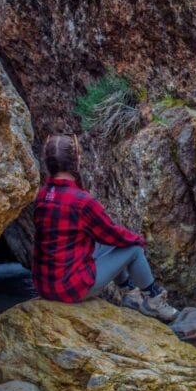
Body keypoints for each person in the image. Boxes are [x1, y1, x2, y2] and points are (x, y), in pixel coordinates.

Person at [31, 134, 179, 322]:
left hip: (44, 284)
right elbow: (112, 234)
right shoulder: (81, 200)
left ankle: (131, 295)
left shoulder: (43, 195)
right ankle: (153, 300)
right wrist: (138, 240)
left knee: (103, 244)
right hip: (68, 288)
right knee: (132, 249)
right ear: (74, 162)